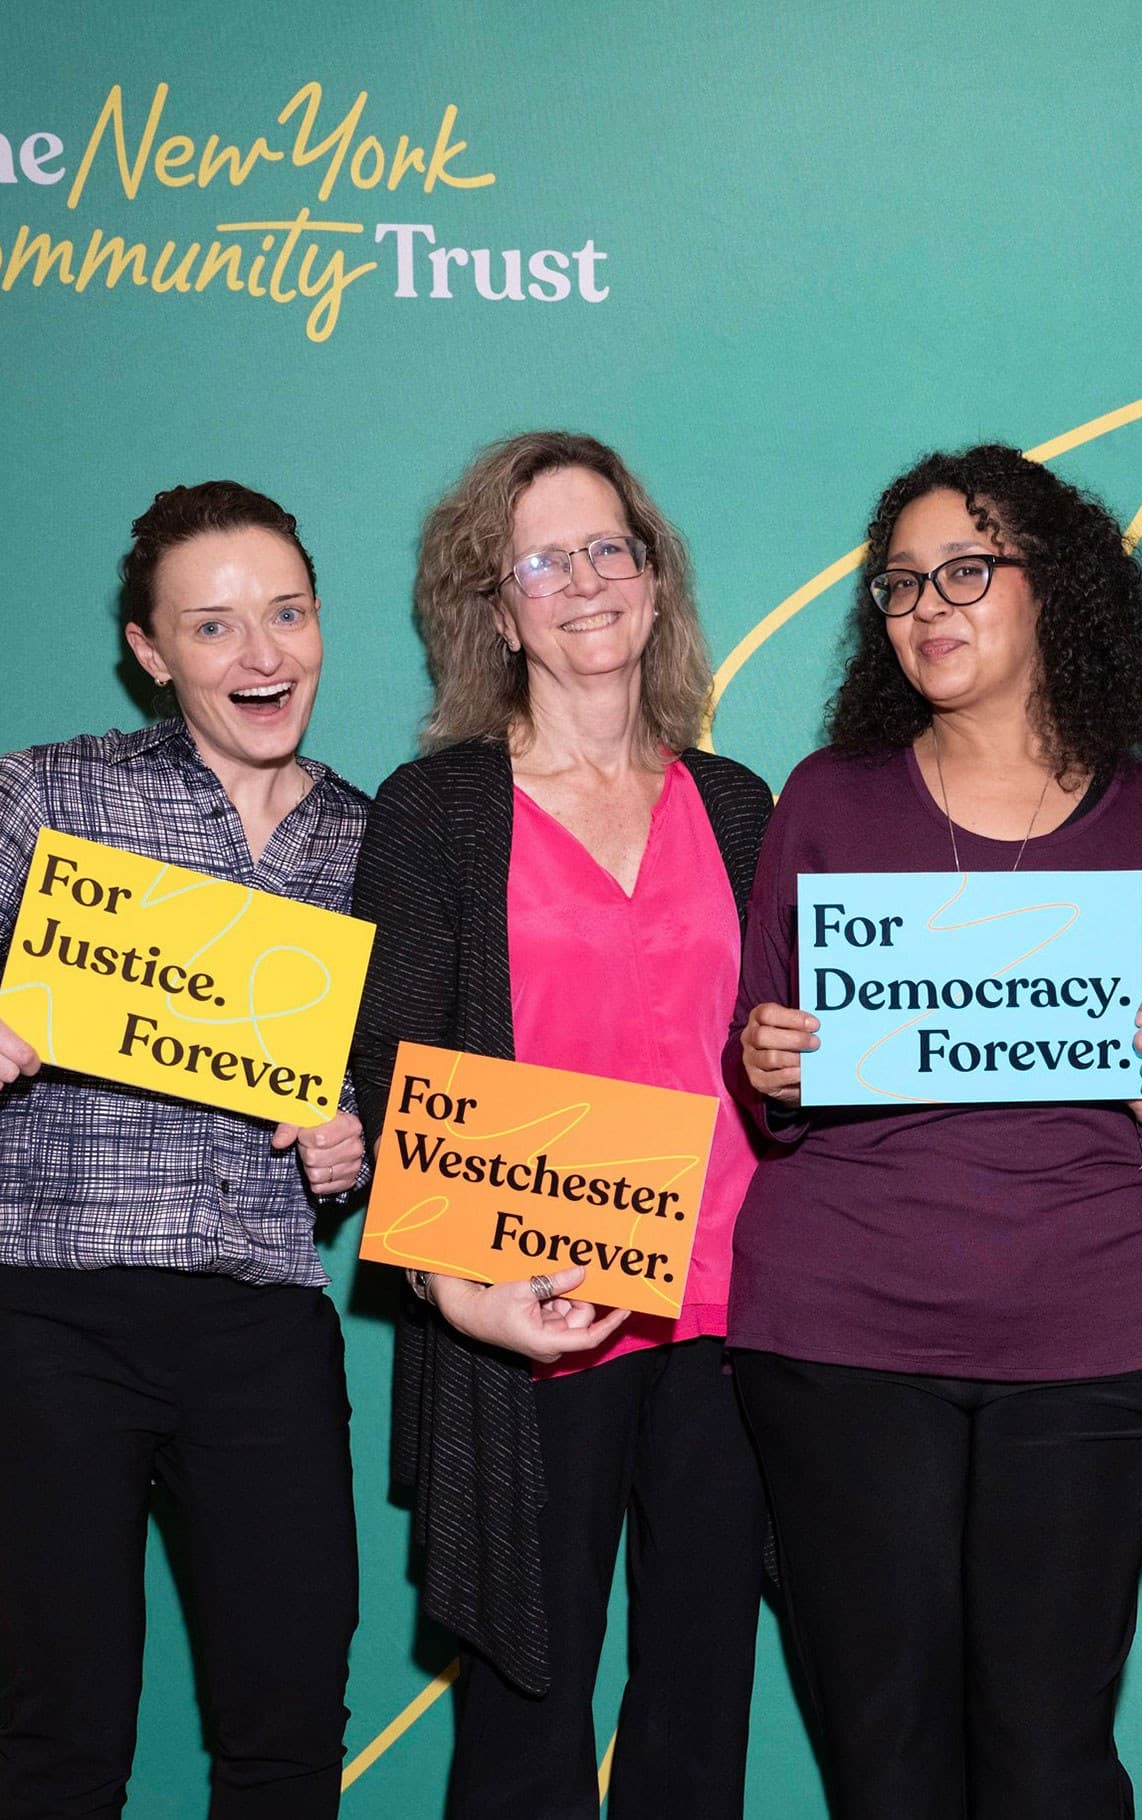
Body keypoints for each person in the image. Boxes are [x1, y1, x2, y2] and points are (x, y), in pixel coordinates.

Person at [732, 444, 1142, 1820]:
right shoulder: (827, 800)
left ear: (1057, 590)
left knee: (1046, 1756)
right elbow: (761, 1048)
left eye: (967, 569)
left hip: (1099, 1346)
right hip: (842, 1337)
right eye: (903, 582)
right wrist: (770, 1067)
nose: (930, 604)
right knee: (886, 1758)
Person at [0, 482, 368, 1818]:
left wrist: (351, 1134)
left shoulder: (376, 842)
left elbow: (385, 1094)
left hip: (264, 1325)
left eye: (288, 615)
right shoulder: (56, 789)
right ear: (152, 653)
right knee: (64, 1745)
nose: (264, 656)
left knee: (290, 1743)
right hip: (49, 1318)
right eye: (214, 628)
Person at [347, 431, 775, 1819]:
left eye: (612, 549)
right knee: (528, 1737)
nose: (587, 580)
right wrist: (463, 1295)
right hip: (535, 1318)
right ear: (495, 608)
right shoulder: (439, 813)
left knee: (700, 1719)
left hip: (730, 1325)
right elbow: (394, 1072)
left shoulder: (738, 804)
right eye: (548, 558)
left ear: (653, 584)